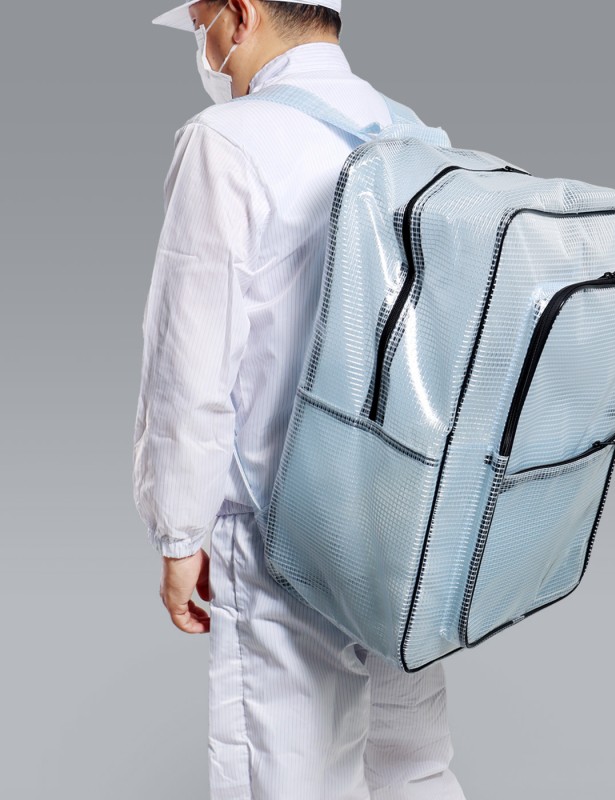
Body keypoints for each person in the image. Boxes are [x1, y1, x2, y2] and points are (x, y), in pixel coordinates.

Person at [132, 2, 467, 798]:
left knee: (290, 776)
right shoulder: (415, 134)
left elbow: (189, 358)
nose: (207, 49)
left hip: (278, 532)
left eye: (204, 26)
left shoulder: (224, 142)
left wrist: (179, 534)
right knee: (414, 761)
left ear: (241, 15)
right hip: (403, 513)